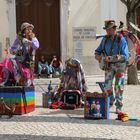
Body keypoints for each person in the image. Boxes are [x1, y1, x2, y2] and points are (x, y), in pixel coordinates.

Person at [94, 20, 129, 114]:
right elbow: (98, 51)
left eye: (109, 30)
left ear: (114, 29)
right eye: (106, 30)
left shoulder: (121, 39)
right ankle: (111, 100)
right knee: (107, 86)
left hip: (120, 66)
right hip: (109, 66)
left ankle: (119, 106)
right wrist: (98, 57)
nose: (107, 32)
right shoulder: (105, 39)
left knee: (119, 86)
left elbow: (125, 56)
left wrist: (113, 58)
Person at [1, 22, 39, 86]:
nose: (30, 30)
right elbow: (12, 49)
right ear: (24, 31)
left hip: (28, 61)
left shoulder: (33, 38)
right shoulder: (19, 39)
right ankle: (8, 80)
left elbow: (36, 46)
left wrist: (29, 42)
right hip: (19, 59)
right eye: (28, 29)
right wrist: (16, 51)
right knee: (7, 62)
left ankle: (26, 87)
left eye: (31, 29)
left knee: (27, 80)